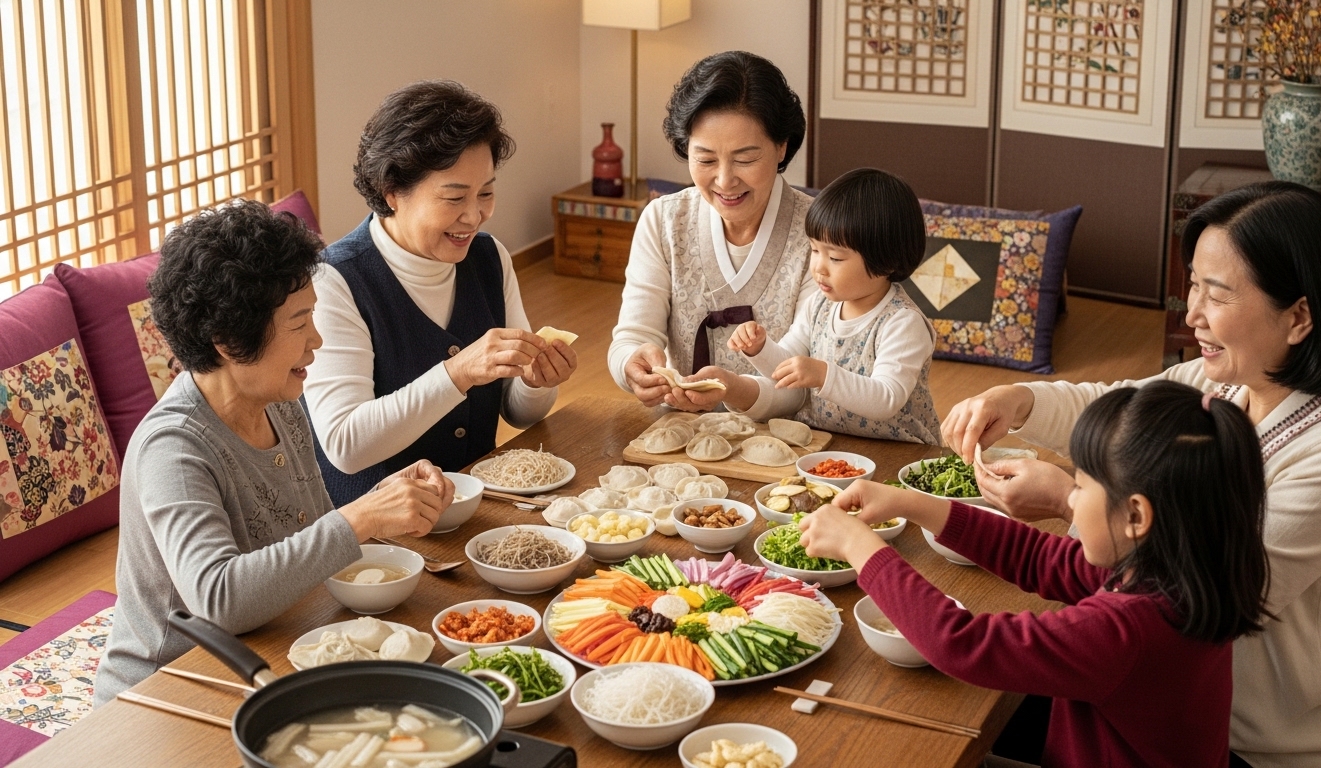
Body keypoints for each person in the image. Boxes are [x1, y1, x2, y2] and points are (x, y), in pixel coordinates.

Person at [943, 181, 1321, 766]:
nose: (1192, 314)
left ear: (1298, 317)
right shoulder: (1228, 382)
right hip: (1177, 697)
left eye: (1217, 295)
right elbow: (1118, 408)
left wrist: (1069, 501)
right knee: (955, 698)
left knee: (974, 702)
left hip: (1269, 747)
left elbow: (1194, 591)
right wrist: (1018, 400)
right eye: (1193, 285)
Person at [801, 382, 1271, 767]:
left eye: (1080, 487)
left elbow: (963, 644)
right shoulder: (1178, 574)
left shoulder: (1128, 630)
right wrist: (913, 504)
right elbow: (1038, 556)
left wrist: (862, 549)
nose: (1069, 499)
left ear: (1135, 516)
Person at [96, 201, 452, 707]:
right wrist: (362, 517)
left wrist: (385, 499)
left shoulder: (280, 402)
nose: (317, 340)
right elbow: (219, 599)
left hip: (267, 652)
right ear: (228, 341)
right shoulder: (173, 448)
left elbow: (308, 536)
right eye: (299, 323)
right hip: (171, 689)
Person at [304, 80, 576, 506]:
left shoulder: (488, 257)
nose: (475, 215)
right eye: (453, 198)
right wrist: (459, 371)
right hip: (376, 531)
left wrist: (536, 382)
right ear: (392, 193)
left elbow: (519, 413)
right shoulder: (334, 280)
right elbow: (345, 444)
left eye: (486, 192)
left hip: (476, 510)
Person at [609, 51, 814, 412]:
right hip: (681, 430)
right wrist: (631, 364)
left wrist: (733, 390)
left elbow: (807, 382)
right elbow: (633, 335)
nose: (724, 180)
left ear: (782, 146)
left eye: (745, 159)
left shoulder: (822, 233)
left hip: (789, 437)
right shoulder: (664, 220)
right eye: (705, 159)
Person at [715, 168, 942, 443]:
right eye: (814, 250)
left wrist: (823, 375)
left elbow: (887, 398)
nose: (819, 267)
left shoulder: (903, 323)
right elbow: (787, 368)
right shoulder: (818, 306)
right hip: (828, 443)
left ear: (886, 260)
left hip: (898, 451)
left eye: (835, 258)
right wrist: (760, 349)